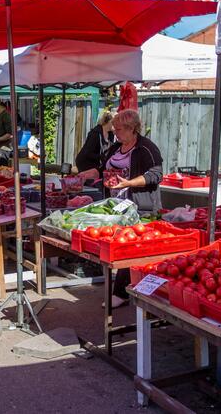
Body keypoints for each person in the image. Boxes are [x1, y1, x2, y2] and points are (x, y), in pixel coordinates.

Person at [78, 109, 163, 308]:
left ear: (132, 129)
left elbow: (156, 175)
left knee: (128, 247)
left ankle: (121, 293)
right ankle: (126, 289)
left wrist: (129, 183)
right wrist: (87, 174)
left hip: (141, 207)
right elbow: (103, 169)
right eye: (114, 129)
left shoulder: (146, 148)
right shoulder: (115, 147)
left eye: (119, 129)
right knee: (121, 244)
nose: (115, 132)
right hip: (117, 207)